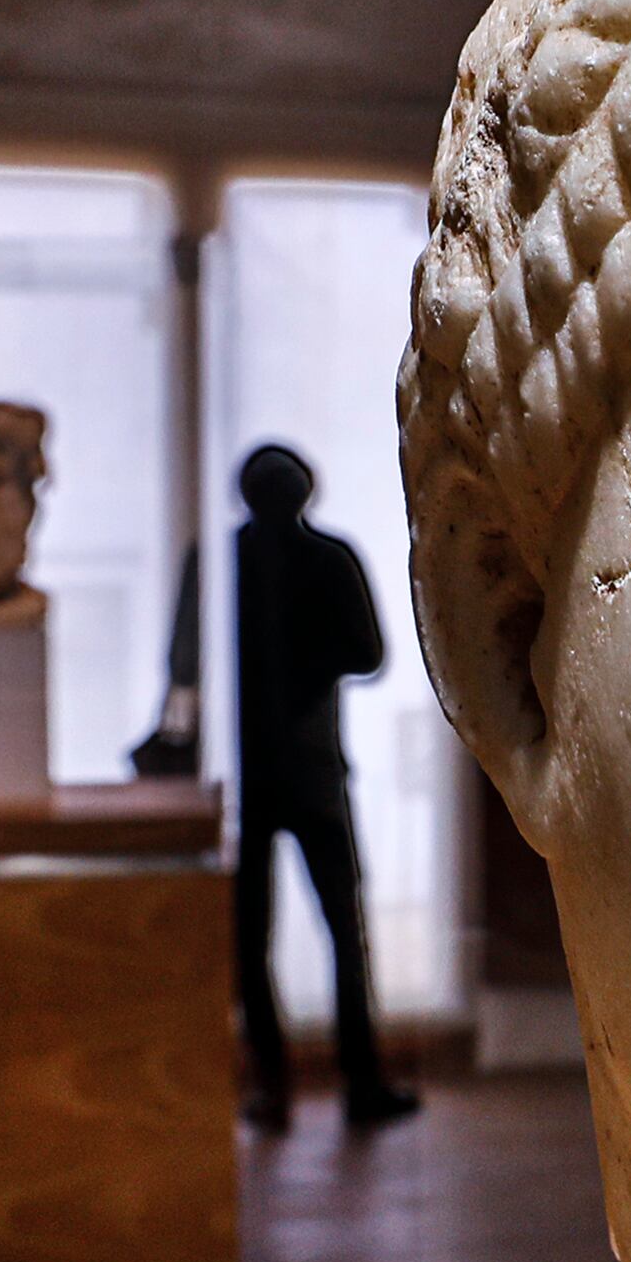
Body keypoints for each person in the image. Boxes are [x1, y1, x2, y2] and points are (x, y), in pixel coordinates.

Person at [231, 444, 421, 1132]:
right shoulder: (320, 557)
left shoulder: (241, 560)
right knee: (309, 933)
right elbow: (366, 652)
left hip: (278, 772)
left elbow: (367, 653)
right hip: (293, 771)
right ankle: (327, 1085)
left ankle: (292, 1087)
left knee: (306, 933)